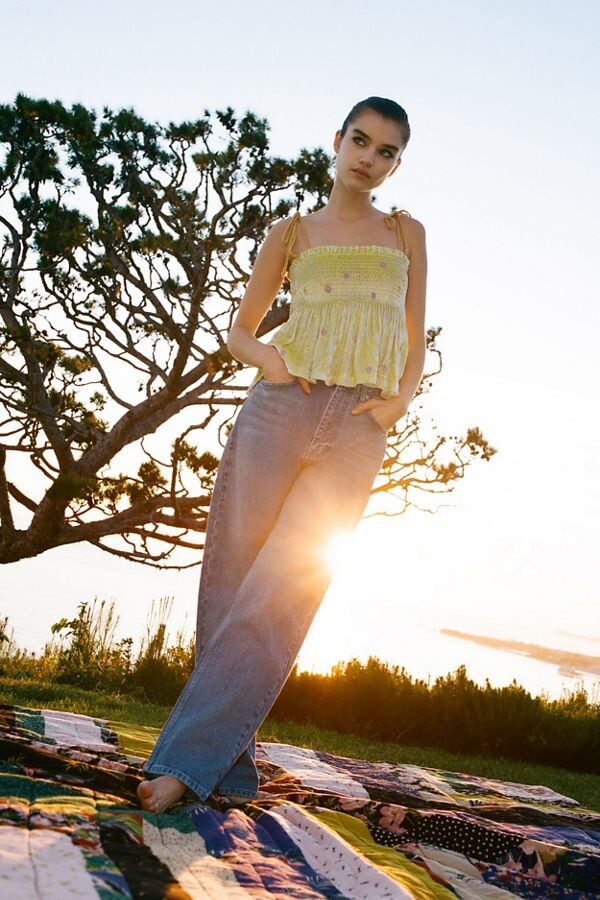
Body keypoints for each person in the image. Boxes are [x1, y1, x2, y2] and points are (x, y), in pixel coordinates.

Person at [137, 96, 427, 815]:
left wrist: (397, 404)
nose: (368, 158)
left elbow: (414, 335)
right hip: (280, 409)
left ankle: (183, 766)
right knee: (232, 582)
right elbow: (239, 331)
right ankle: (222, 771)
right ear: (337, 141)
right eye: (360, 140)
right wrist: (269, 360)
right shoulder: (292, 232)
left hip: (356, 424)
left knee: (286, 588)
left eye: (386, 152)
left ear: (396, 166)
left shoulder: (406, 233)